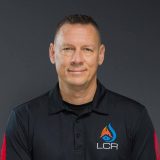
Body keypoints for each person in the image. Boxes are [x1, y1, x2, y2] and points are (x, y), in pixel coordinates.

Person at [1, 14, 160, 160]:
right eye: (68, 49)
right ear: (52, 53)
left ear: (100, 54)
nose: (77, 59)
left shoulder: (134, 117)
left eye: (87, 49)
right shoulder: (23, 120)